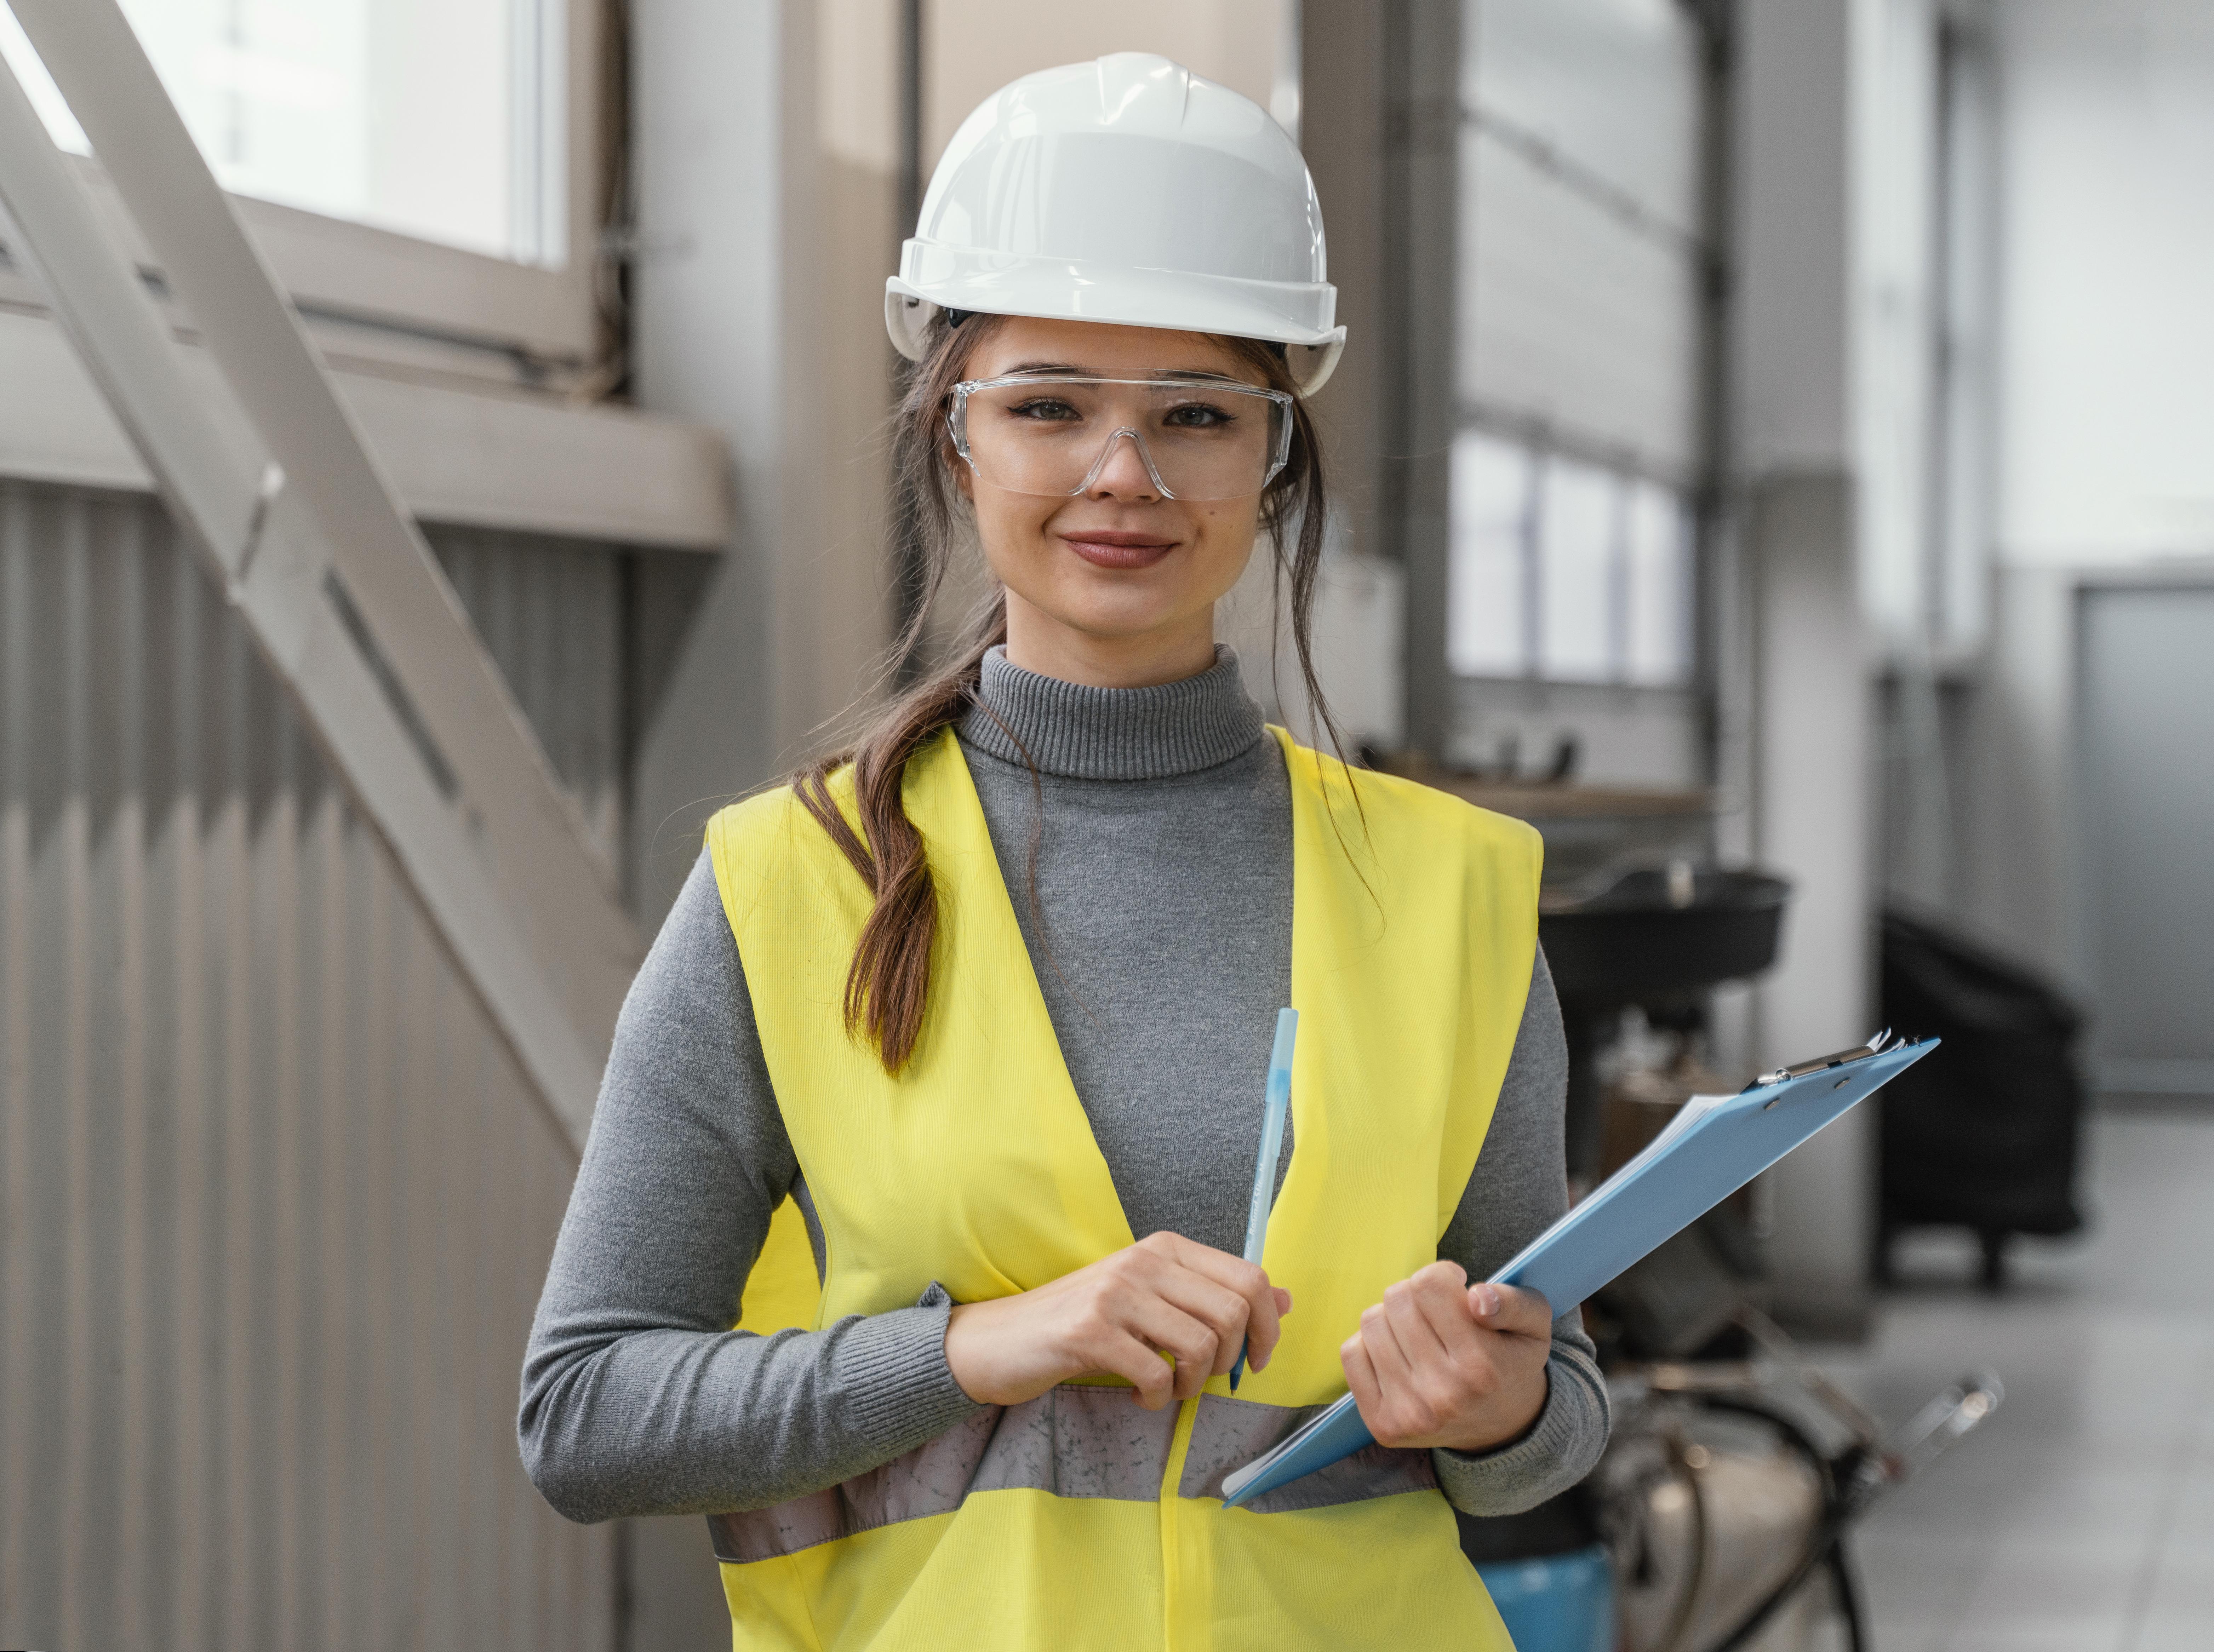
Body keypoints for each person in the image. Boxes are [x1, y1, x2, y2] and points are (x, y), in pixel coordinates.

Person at [521, 52, 1607, 1648]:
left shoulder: (1448, 891)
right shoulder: (795, 884)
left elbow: (1553, 1418)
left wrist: (1497, 1407)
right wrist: (980, 1345)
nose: (1124, 474)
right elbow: (589, 1417)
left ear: (1272, 459)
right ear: (955, 439)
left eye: (1194, 414)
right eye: (1047, 408)